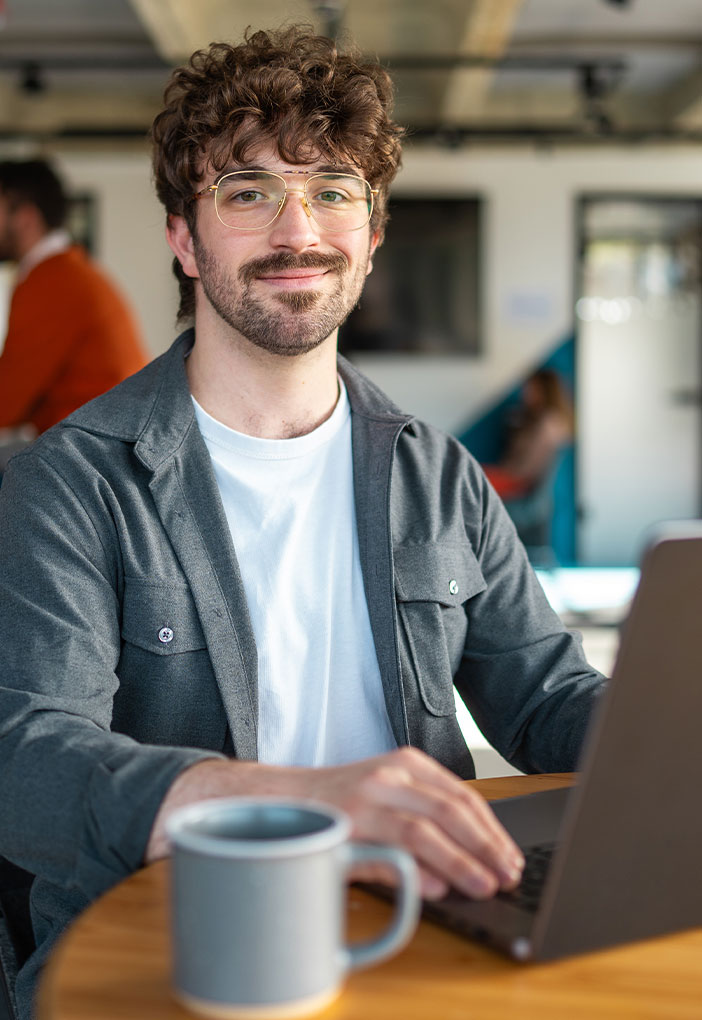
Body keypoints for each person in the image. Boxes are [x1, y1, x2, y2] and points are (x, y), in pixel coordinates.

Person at [0, 28, 604, 1020]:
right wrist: (307, 803)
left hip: (425, 932)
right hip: (167, 946)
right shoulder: (72, 483)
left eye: (333, 192)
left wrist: (663, 730)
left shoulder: (438, 474)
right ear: (183, 239)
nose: (298, 231)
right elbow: (26, 761)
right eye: (247, 192)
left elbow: (547, 700)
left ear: (371, 235)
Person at [0, 159, 148, 435]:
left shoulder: (51, 282)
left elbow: (6, 403)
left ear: (26, 217)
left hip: (97, 453)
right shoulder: (67, 271)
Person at [482, 368, 574, 501]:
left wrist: (500, 472)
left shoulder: (548, 425)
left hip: (520, 486)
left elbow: (523, 471)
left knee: (471, 480)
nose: (525, 394)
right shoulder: (548, 421)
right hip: (520, 483)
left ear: (545, 391)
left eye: (531, 389)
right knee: (472, 477)